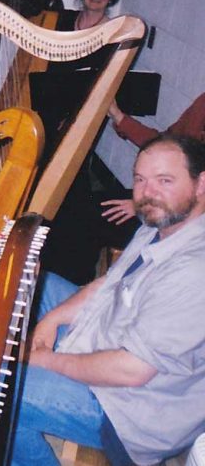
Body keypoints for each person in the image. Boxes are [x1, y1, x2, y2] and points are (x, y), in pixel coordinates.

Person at [12, 134, 205, 465]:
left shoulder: (194, 271)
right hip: (117, 337)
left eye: (165, 180)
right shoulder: (161, 223)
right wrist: (51, 321)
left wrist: (45, 360)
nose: (148, 193)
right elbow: (110, 283)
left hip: (131, 412)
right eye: (140, 180)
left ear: (201, 184)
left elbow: (132, 370)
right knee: (33, 286)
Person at [31, 0, 130, 285]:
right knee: (37, 167)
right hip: (46, 107)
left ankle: (59, 254)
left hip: (79, 116)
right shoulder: (61, 20)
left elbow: (103, 84)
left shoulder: (111, 35)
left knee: (66, 178)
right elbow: (28, 15)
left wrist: (73, 116)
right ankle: (33, 230)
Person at [102, 93, 205, 225]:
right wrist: (118, 116)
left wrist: (144, 205)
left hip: (187, 218)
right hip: (167, 200)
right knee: (89, 209)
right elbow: (167, 143)